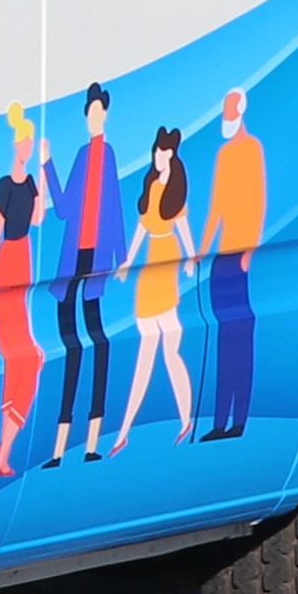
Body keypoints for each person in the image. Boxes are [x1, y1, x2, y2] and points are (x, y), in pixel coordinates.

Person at [45, 81, 123, 469]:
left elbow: (116, 206)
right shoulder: (80, 155)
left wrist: (124, 259)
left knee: (97, 341)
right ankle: (59, 447)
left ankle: (91, 441)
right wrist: (46, 165)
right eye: (89, 112)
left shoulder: (107, 155)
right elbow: (62, 209)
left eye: (98, 111)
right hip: (72, 259)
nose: (94, 117)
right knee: (70, 345)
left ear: (104, 114)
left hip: (97, 260)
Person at [116, 125, 203, 449]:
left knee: (169, 350)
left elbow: (182, 228)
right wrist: (127, 261)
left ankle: (184, 420)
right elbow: (142, 226)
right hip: (149, 268)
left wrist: (192, 258)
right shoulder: (152, 186)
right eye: (155, 151)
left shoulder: (175, 191)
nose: (157, 156)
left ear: (171, 154)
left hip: (166, 264)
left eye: (162, 151)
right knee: (147, 353)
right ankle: (125, 430)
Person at [200, 82, 269, 442]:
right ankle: (219, 420)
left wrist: (249, 250)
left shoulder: (252, 149)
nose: (226, 120)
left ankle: (240, 419)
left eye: (230, 114)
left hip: (240, 256)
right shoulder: (223, 154)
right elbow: (216, 205)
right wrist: (202, 250)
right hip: (220, 257)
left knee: (240, 337)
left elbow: (257, 200)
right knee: (221, 338)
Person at [0, 109, 46, 484]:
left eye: (31, 142)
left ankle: (3, 448)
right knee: (26, 357)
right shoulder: (5, 185)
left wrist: (45, 167)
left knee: (23, 358)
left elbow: (38, 218)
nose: (27, 147)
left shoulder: (29, 184)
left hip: (22, 263)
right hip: (7, 265)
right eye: (24, 142)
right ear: (15, 143)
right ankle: (3, 453)